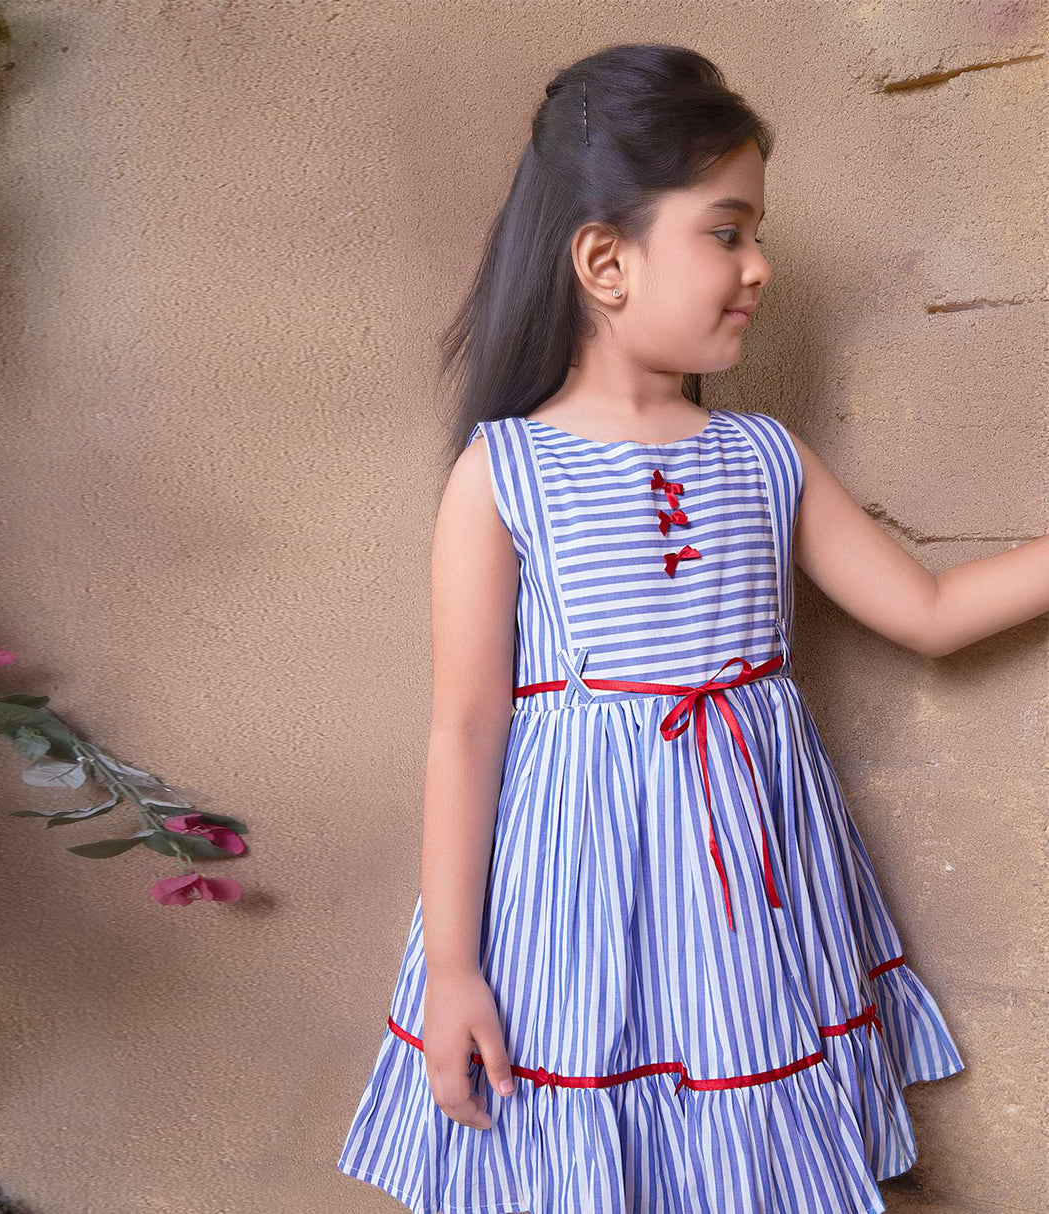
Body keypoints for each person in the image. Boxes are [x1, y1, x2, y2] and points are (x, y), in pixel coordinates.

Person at [336, 42, 1048, 1214]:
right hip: (574, 904)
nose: (757, 265)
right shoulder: (503, 475)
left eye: (754, 232)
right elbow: (465, 731)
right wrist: (456, 969)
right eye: (726, 230)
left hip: (749, 905)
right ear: (604, 260)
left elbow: (926, 611)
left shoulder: (762, 455)